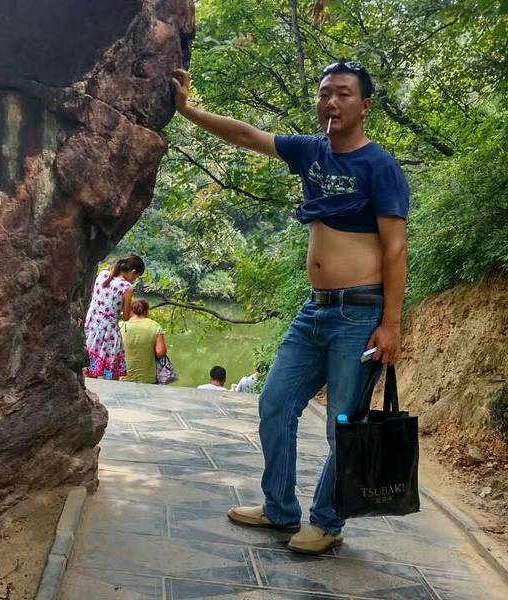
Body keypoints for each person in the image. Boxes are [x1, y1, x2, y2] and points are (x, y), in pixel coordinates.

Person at [172, 60, 409, 554]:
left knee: (342, 424)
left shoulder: (380, 166)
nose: (331, 102)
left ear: (365, 105)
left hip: (359, 313)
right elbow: (247, 135)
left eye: (343, 93)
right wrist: (188, 111)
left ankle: (327, 521)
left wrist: (391, 323)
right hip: (313, 310)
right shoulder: (310, 151)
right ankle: (279, 507)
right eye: (325, 93)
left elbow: (395, 248)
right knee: (276, 402)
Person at [84, 255, 145, 379]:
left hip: (91, 324)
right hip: (107, 331)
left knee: (87, 366)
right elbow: (126, 317)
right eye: (136, 276)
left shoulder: (102, 275)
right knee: (111, 372)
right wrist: (117, 313)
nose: (134, 280)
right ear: (133, 272)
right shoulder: (127, 288)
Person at [120, 298, 167, 383]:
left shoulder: (121, 325)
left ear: (131, 310)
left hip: (123, 377)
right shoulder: (155, 326)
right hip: (148, 378)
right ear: (146, 311)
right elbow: (161, 353)